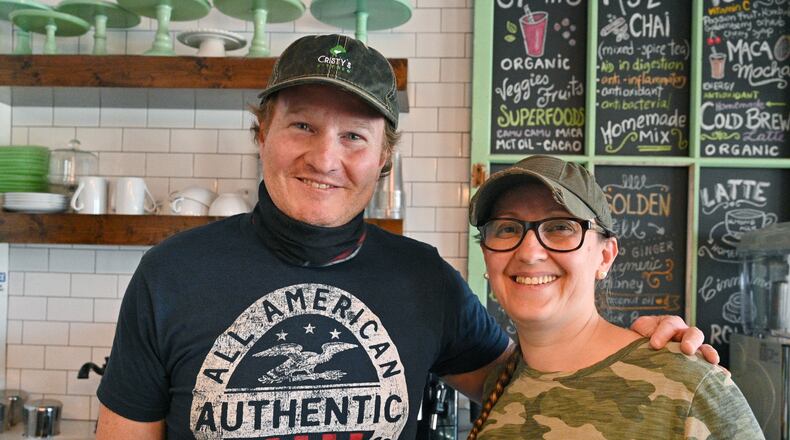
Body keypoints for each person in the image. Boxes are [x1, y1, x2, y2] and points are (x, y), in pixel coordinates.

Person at [95, 35, 713, 439]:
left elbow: (531, 376)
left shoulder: (422, 278)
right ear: (262, 134)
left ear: (384, 156)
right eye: (301, 125)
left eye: (355, 136)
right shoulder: (172, 273)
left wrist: (635, 347)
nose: (324, 157)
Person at [466, 155, 763, 439]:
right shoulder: (501, 384)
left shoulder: (690, 388)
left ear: (605, 257)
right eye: (507, 228)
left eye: (560, 227)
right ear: (487, 255)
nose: (529, 253)